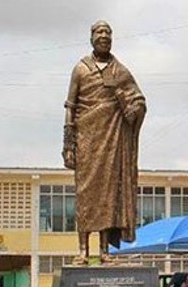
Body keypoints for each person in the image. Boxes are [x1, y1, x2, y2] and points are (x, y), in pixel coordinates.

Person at [63, 20, 146, 265]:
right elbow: (70, 107)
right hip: (86, 140)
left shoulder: (119, 71)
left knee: (108, 196)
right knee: (85, 195)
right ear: (91, 38)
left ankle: (105, 252)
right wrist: (68, 145)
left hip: (111, 143)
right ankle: (82, 251)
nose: (104, 36)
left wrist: (129, 106)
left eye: (107, 32)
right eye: (99, 32)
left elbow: (138, 101)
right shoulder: (80, 69)